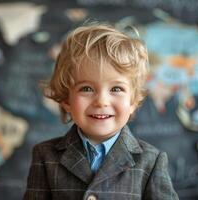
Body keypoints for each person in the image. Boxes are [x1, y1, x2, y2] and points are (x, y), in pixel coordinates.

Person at [23, 22, 179, 200]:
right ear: (66, 99)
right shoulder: (45, 155)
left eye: (116, 89)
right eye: (87, 89)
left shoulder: (151, 161)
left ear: (133, 102)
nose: (102, 101)